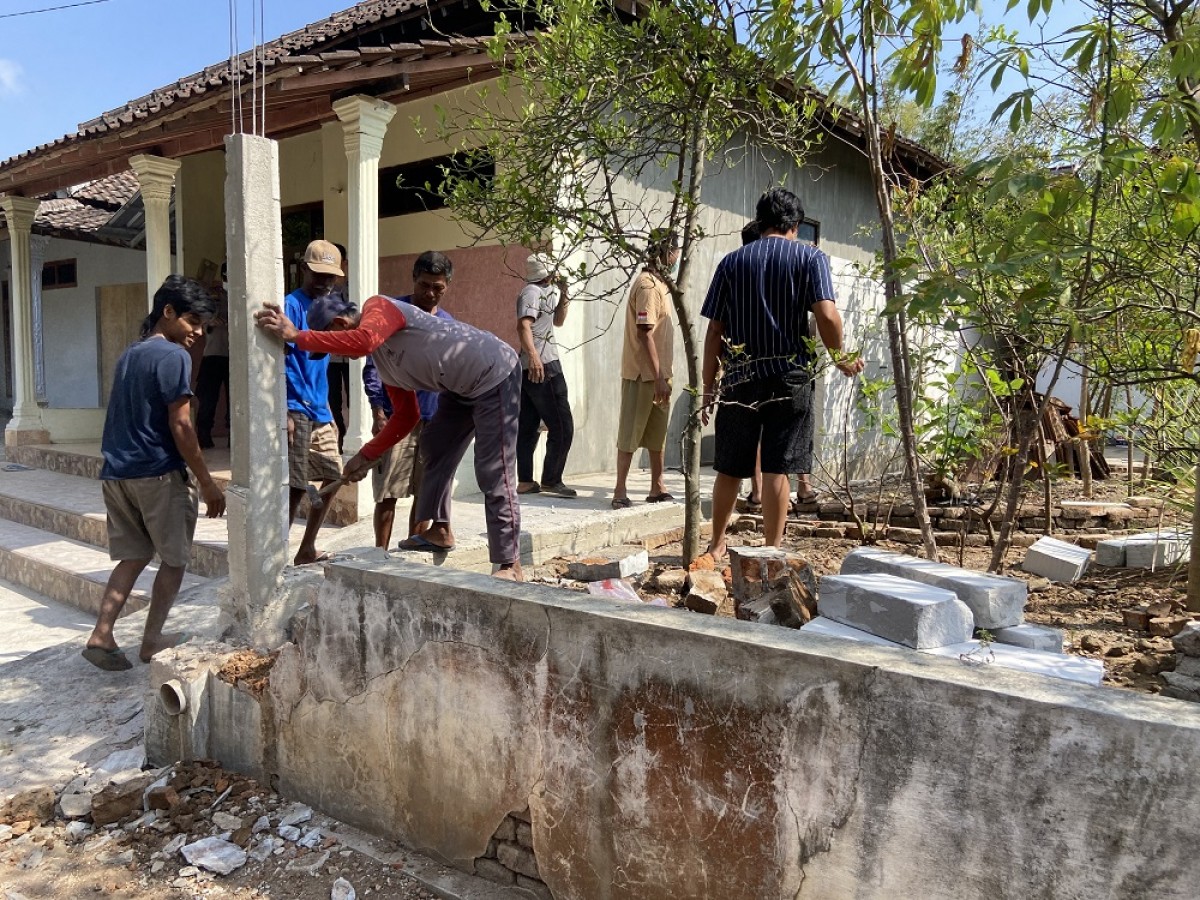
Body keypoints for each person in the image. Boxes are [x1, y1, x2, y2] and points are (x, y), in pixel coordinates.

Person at [255, 250, 525, 581]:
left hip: (496, 373)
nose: (333, 354)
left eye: (328, 346)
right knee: (435, 446)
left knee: (493, 469)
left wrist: (297, 336)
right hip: (461, 388)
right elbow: (406, 416)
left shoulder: (379, 306)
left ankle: (509, 564)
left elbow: (364, 340)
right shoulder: (387, 366)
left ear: (340, 325)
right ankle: (439, 530)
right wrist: (366, 455)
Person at [700, 187, 864, 560]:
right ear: (795, 225)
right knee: (779, 467)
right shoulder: (810, 258)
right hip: (790, 377)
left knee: (730, 467)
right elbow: (826, 314)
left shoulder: (731, 262)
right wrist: (840, 356)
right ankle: (771, 553)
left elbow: (714, 330)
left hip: (740, 377)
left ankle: (716, 545)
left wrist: (709, 385)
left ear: (761, 222)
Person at [82, 276, 226, 671]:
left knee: (133, 556)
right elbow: (181, 425)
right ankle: (151, 641)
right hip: (157, 473)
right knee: (175, 560)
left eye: (203, 325)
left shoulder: (131, 353)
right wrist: (208, 482)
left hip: (117, 472)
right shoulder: (174, 356)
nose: (198, 332)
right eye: (192, 321)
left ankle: (102, 634)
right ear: (168, 311)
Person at [364, 256, 455, 548]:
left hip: (434, 420)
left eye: (438, 288)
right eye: (424, 285)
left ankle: (413, 546)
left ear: (447, 286)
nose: (430, 293)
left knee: (425, 491)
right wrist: (378, 412)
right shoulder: (392, 314)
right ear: (414, 279)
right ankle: (380, 551)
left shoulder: (448, 324)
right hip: (396, 417)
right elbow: (374, 365)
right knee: (388, 491)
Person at [283, 239, 344, 565]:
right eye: (318, 274)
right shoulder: (291, 305)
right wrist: (285, 408)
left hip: (320, 407)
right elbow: (277, 360)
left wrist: (329, 409)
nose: (324, 281)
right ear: (304, 269)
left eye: (330, 276)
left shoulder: (331, 307)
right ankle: (277, 555)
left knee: (335, 475)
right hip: (296, 406)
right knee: (295, 486)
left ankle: (307, 547)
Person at [611, 230, 679, 509]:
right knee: (630, 433)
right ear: (666, 253)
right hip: (644, 374)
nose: (677, 258)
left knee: (656, 434)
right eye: (675, 252)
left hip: (661, 374)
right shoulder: (648, 287)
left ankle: (657, 485)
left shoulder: (661, 284)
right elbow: (644, 332)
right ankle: (619, 489)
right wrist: (658, 375)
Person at [516, 253, 577, 498]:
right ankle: (551, 479)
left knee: (529, 425)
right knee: (562, 425)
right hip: (544, 365)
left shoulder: (548, 290)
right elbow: (523, 326)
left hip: (537, 364)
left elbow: (558, 321)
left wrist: (565, 293)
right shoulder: (531, 292)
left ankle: (525, 481)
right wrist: (534, 356)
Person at [194, 265, 229, 449]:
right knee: (207, 400)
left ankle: (234, 437)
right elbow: (199, 317)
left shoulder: (240, 296)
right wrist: (211, 319)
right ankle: (203, 435)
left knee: (235, 400)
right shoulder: (211, 296)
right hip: (212, 353)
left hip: (233, 355)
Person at [326, 243, 351, 453]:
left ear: (344, 263)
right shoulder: (325, 290)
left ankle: (352, 436)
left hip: (352, 354)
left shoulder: (356, 286)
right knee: (332, 399)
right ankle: (340, 436)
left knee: (355, 398)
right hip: (331, 354)